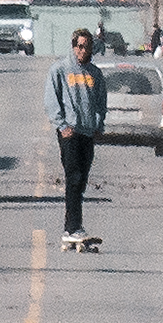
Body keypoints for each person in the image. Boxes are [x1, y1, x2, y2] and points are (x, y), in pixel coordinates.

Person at [48, 27, 108, 251]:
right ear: (73, 46)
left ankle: (70, 229)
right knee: (73, 177)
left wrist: (99, 125)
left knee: (81, 180)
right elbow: (51, 100)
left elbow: (101, 102)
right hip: (70, 133)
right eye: (79, 46)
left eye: (87, 46)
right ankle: (75, 227)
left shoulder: (95, 73)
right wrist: (61, 125)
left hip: (87, 132)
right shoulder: (60, 69)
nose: (83, 50)